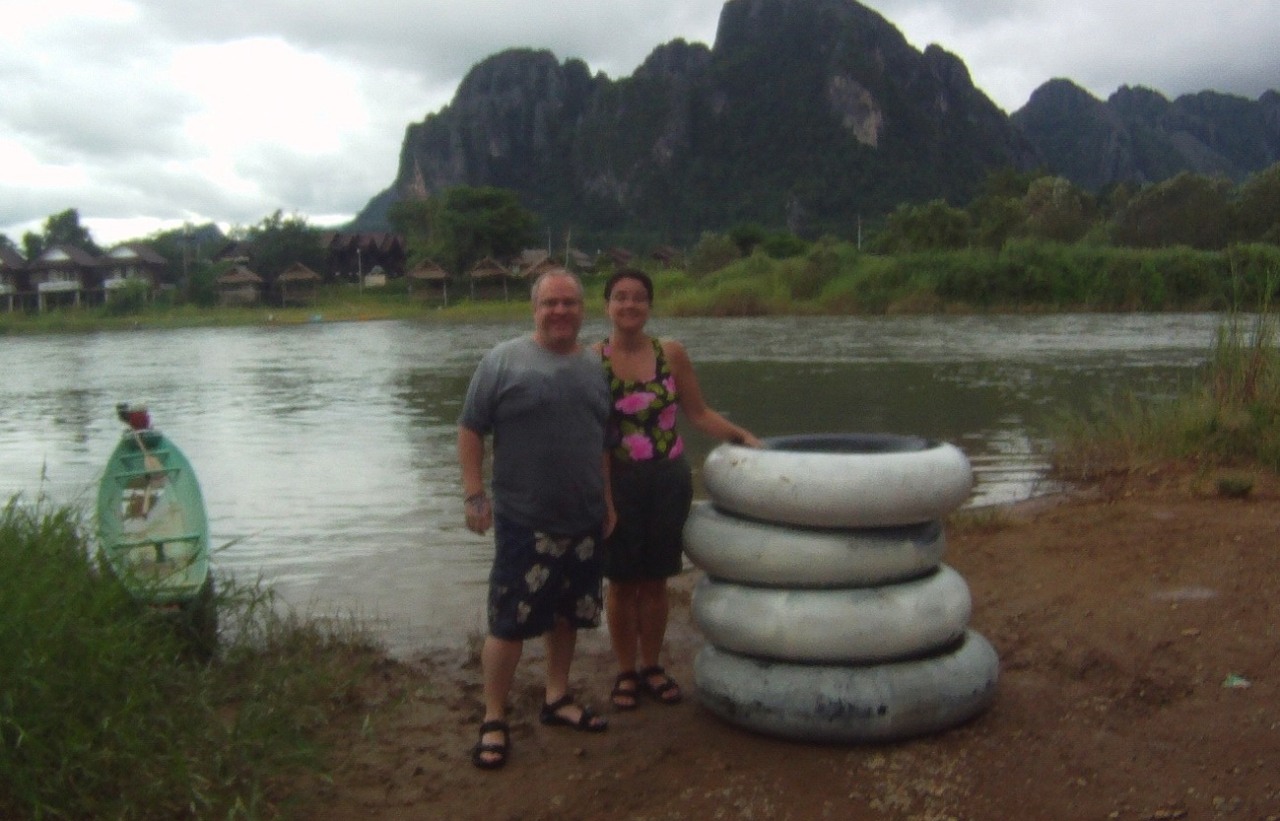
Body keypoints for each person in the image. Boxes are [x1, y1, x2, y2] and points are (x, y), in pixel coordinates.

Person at [457, 268, 616, 770]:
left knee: (567, 615)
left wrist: (608, 501)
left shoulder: (595, 366)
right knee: (508, 622)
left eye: (569, 303)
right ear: (534, 308)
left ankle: (556, 696)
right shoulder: (502, 361)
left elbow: (602, 441)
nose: (560, 311)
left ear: (582, 310)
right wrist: (474, 494)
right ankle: (493, 717)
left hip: (584, 517)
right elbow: (470, 428)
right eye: (551, 303)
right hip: (524, 518)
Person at [595, 268, 762, 711]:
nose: (630, 305)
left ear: (649, 306)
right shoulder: (593, 360)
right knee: (621, 583)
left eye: (639, 297)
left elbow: (699, 413)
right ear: (606, 305)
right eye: (620, 297)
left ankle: (652, 666)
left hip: (667, 480)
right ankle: (625, 671)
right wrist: (604, 497)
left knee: (655, 580)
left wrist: (742, 437)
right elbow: (595, 437)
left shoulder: (670, 353)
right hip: (618, 482)